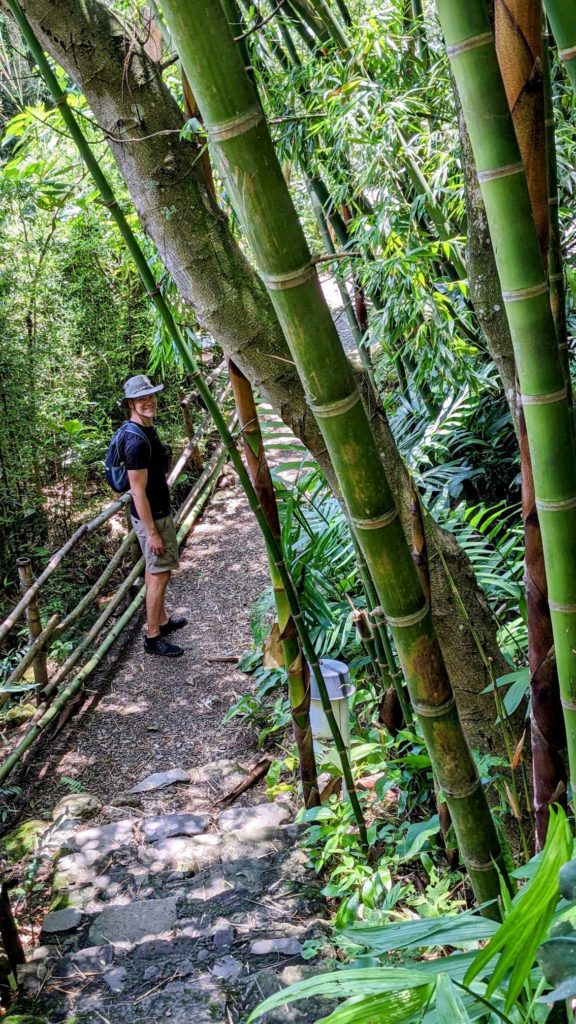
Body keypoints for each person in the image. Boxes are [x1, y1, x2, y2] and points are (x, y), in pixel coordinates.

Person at [121, 374, 187, 658]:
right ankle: (152, 637)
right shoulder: (136, 442)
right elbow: (137, 492)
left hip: (157, 513)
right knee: (160, 573)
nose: (149, 402)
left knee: (156, 570)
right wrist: (154, 532)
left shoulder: (145, 429)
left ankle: (161, 620)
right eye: (141, 399)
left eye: (151, 396)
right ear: (130, 404)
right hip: (152, 517)